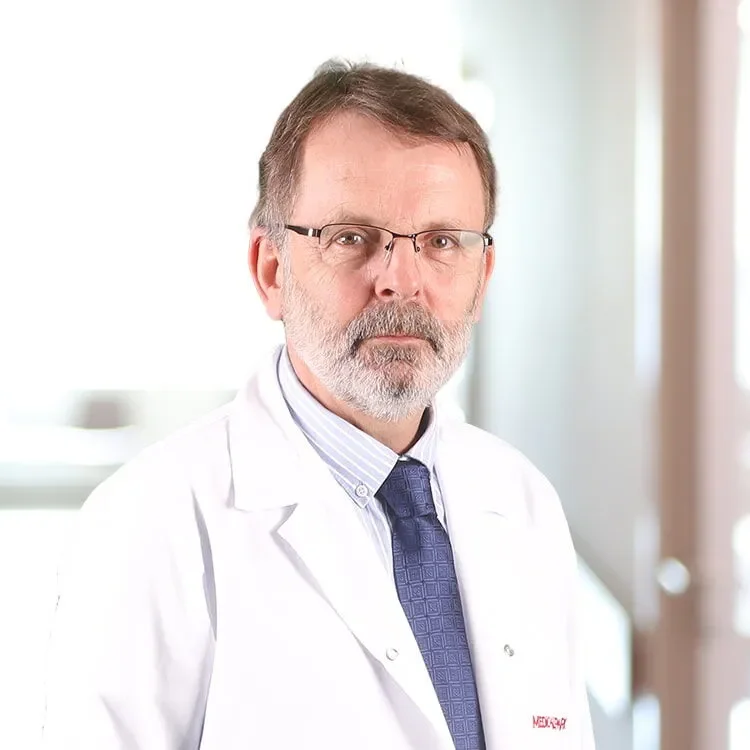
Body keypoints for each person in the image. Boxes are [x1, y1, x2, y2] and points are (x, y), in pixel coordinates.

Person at [42, 60, 595, 749]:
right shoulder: (152, 523)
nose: (400, 281)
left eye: (442, 242)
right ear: (271, 270)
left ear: (481, 277)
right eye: (351, 238)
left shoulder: (524, 503)